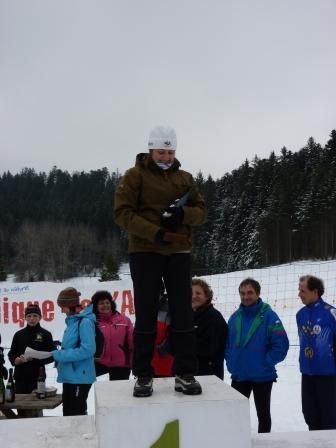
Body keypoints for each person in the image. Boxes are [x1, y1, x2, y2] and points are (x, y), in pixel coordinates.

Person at [114, 125, 207, 397]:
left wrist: (182, 216)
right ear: (151, 149)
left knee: (183, 312)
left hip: (178, 252)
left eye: (170, 151)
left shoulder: (185, 178)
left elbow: (202, 212)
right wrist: (155, 232)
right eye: (161, 151)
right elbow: (122, 213)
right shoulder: (134, 176)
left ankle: (185, 373)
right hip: (145, 251)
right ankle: (143, 374)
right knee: (146, 312)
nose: (166, 156)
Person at [225, 278, 289, 433]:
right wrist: (231, 361)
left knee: (263, 415)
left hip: (262, 376)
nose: (245, 297)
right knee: (236, 414)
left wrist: (266, 362)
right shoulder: (235, 317)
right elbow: (227, 343)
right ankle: (238, 442)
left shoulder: (269, 316)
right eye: (242, 293)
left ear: (258, 293)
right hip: (240, 374)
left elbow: (281, 344)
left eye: (250, 293)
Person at [296, 275, 336, 430]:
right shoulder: (300, 314)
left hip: (328, 376)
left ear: (315, 291)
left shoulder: (330, 313)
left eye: (303, 291)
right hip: (307, 374)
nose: (299, 294)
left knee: (330, 419)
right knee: (310, 416)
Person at [51, 287, 96, 416]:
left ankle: (81, 436)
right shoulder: (73, 322)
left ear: (69, 305)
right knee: (68, 415)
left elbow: (88, 350)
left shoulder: (85, 322)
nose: (61, 310)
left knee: (76, 416)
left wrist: (61, 355)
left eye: (62, 307)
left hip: (80, 377)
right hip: (70, 376)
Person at [8, 304, 54, 417]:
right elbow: (11, 353)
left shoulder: (46, 334)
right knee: (21, 408)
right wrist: (15, 360)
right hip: (20, 378)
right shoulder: (18, 335)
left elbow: (52, 356)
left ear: (40, 317)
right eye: (29, 316)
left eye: (34, 315)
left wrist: (37, 358)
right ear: (25, 318)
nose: (32, 318)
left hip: (37, 378)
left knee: (36, 408)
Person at [92, 290, 134, 380]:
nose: (105, 305)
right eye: (101, 303)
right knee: (100, 392)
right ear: (96, 306)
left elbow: (132, 342)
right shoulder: (92, 322)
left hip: (121, 364)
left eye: (107, 302)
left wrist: (134, 360)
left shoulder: (125, 320)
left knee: (118, 392)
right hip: (98, 363)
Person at [191, 278, 227, 380]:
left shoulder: (213, 317)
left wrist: (183, 346)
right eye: (191, 293)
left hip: (208, 376)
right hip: (190, 375)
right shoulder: (188, 316)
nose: (194, 296)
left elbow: (209, 348)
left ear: (207, 296)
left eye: (198, 293)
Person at [151, 288, 174, 378]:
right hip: (148, 361)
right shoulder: (145, 308)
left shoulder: (169, 308)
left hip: (164, 360)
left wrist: (162, 350)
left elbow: (172, 334)